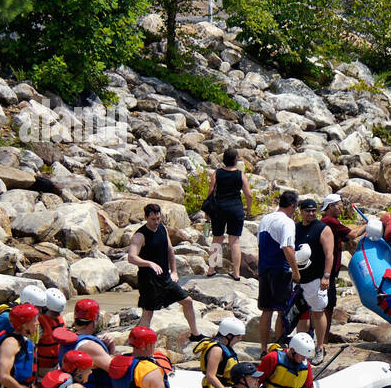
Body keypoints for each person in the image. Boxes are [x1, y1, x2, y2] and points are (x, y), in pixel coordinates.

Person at [128, 204, 201, 339]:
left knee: (188, 301)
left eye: (158, 218)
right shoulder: (140, 235)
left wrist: (174, 271)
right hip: (148, 280)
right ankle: (138, 342)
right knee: (148, 313)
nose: (156, 222)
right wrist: (148, 263)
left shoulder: (162, 229)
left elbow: (170, 250)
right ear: (145, 218)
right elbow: (131, 257)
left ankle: (195, 334)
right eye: (153, 219)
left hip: (165, 278)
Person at [256, 190, 303, 350]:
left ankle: (264, 349)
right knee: (282, 310)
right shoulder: (287, 222)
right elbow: (287, 247)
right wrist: (296, 271)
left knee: (266, 310)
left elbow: (260, 244)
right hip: (280, 269)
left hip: (264, 268)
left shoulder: (265, 219)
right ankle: (279, 347)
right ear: (292, 206)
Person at [207, 147, 252, 280]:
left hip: (219, 209)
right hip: (236, 209)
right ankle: (236, 273)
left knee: (217, 239)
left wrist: (207, 210)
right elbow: (249, 195)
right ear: (236, 160)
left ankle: (211, 269)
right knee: (234, 241)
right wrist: (248, 209)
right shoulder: (240, 175)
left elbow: (210, 191)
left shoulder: (217, 173)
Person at [320, 194, 365, 324]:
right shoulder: (330, 221)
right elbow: (352, 234)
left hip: (328, 271)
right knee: (327, 306)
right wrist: (367, 225)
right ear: (331, 206)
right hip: (327, 271)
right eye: (339, 206)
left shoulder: (327, 221)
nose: (341, 209)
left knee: (326, 304)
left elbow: (345, 237)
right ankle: (324, 338)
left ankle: (322, 336)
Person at [65, 298, 113, 388]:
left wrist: (110, 346)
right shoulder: (89, 346)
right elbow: (116, 369)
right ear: (95, 320)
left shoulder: (70, 338)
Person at [35, 289, 67, 381]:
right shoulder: (38, 323)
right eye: (54, 313)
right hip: (41, 367)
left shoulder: (58, 319)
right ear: (44, 308)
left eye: (58, 313)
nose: (57, 315)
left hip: (56, 364)